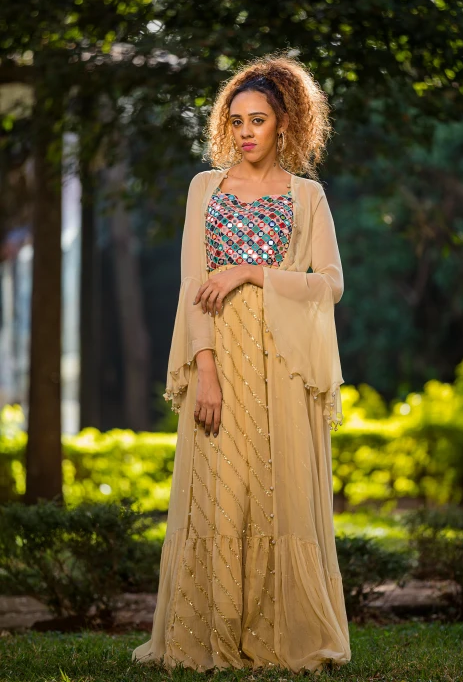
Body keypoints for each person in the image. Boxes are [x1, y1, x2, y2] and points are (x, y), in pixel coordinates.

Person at [131, 52, 350, 672]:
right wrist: (205, 369)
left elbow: (330, 283)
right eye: (236, 121)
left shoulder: (307, 197)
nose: (246, 131)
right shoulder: (206, 187)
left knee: (277, 493)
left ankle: (283, 634)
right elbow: (189, 283)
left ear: (285, 124)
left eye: (258, 120)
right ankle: (213, 630)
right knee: (221, 490)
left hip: (280, 362)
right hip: (220, 357)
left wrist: (249, 272)